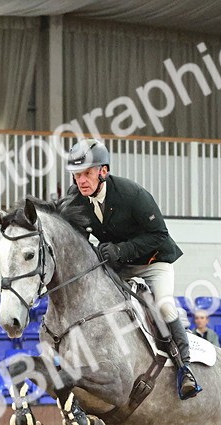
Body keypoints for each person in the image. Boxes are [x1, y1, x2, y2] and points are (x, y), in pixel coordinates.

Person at [62, 138, 201, 399]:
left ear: (103, 171)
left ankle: (185, 367)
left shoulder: (131, 194)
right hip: (120, 268)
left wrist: (120, 250)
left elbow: (159, 234)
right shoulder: (76, 200)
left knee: (164, 306)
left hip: (153, 263)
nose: (81, 180)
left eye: (87, 173)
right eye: (77, 174)